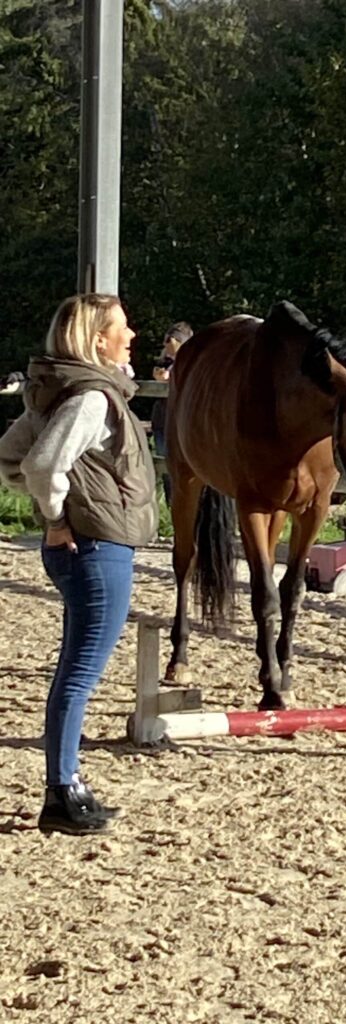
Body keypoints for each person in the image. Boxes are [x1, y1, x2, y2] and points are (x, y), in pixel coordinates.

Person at [0, 294, 158, 834]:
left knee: (74, 670)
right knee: (80, 674)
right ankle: (61, 789)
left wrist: (56, 508)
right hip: (96, 548)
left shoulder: (61, 391)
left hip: (81, 548)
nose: (131, 335)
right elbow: (42, 465)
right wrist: (56, 514)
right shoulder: (92, 399)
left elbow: (11, 454)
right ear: (97, 340)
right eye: (123, 327)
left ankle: (66, 782)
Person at [150, 321, 193, 505]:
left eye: (170, 341)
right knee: (165, 460)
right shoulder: (164, 362)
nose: (166, 346)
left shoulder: (189, 364)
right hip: (162, 419)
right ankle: (171, 502)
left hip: (179, 421)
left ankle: (183, 502)